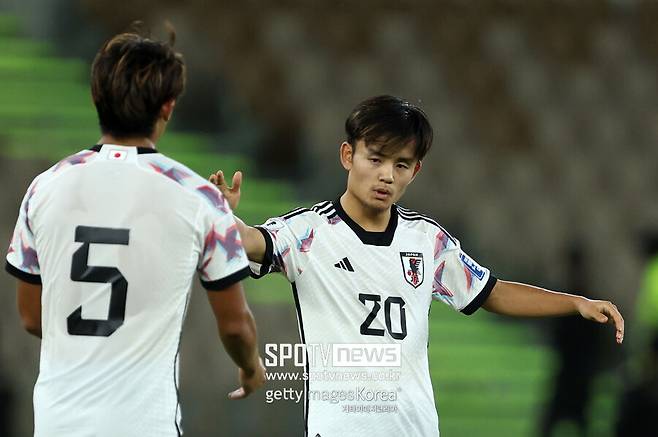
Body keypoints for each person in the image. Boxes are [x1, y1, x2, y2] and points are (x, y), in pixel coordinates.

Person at [210, 95, 624, 437]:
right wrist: (226, 218)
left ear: (415, 171)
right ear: (347, 155)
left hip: (415, 429)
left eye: (401, 165)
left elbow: (490, 291)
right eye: (376, 159)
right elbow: (251, 241)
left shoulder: (426, 240)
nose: (386, 175)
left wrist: (575, 303)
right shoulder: (308, 232)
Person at [5, 26, 265, 437]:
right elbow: (235, 325)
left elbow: (31, 315)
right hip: (143, 423)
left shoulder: (45, 187)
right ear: (168, 106)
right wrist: (251, 369)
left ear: (96, 97)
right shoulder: (198, 198)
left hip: (59, 422)